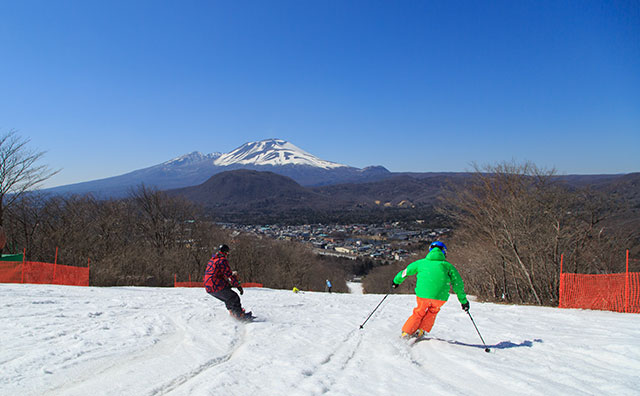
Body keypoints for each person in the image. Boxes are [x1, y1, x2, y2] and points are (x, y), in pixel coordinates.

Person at [392, 241, 469, 338]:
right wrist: (463, 301)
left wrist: (396, 282)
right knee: (432, 312)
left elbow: (406, 272)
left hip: (423, 294)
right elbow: (458, 284)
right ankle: (421, 330)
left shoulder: (421, 263)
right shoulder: (448, 266)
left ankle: (407, 332)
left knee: (419, 312)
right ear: (444, 252)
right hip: (440, 297)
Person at [204, 244, 253, 321]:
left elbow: (216, 274)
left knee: (228, 297)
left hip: (209, 287)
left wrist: (227, 284)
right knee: (234, 297)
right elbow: (229, 275)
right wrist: (238, 286)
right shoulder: (222, 260)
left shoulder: (212, 260)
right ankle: (240, 316)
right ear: (225, 252)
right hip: (215, 285)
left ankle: (233, 312)